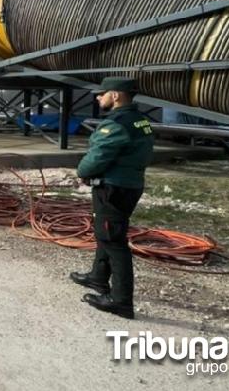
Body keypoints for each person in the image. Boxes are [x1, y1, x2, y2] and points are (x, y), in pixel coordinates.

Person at [70, 77, 154, 319]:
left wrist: (82, 173)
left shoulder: (116, 125)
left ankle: (121, 301)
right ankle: (98, 278)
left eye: (102, 93)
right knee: (105, 233)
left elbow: (97, 157)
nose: (98, 97)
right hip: (129, 185)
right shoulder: (141, 121)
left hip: (113, 189)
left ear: (115, 96)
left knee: (113, 240)